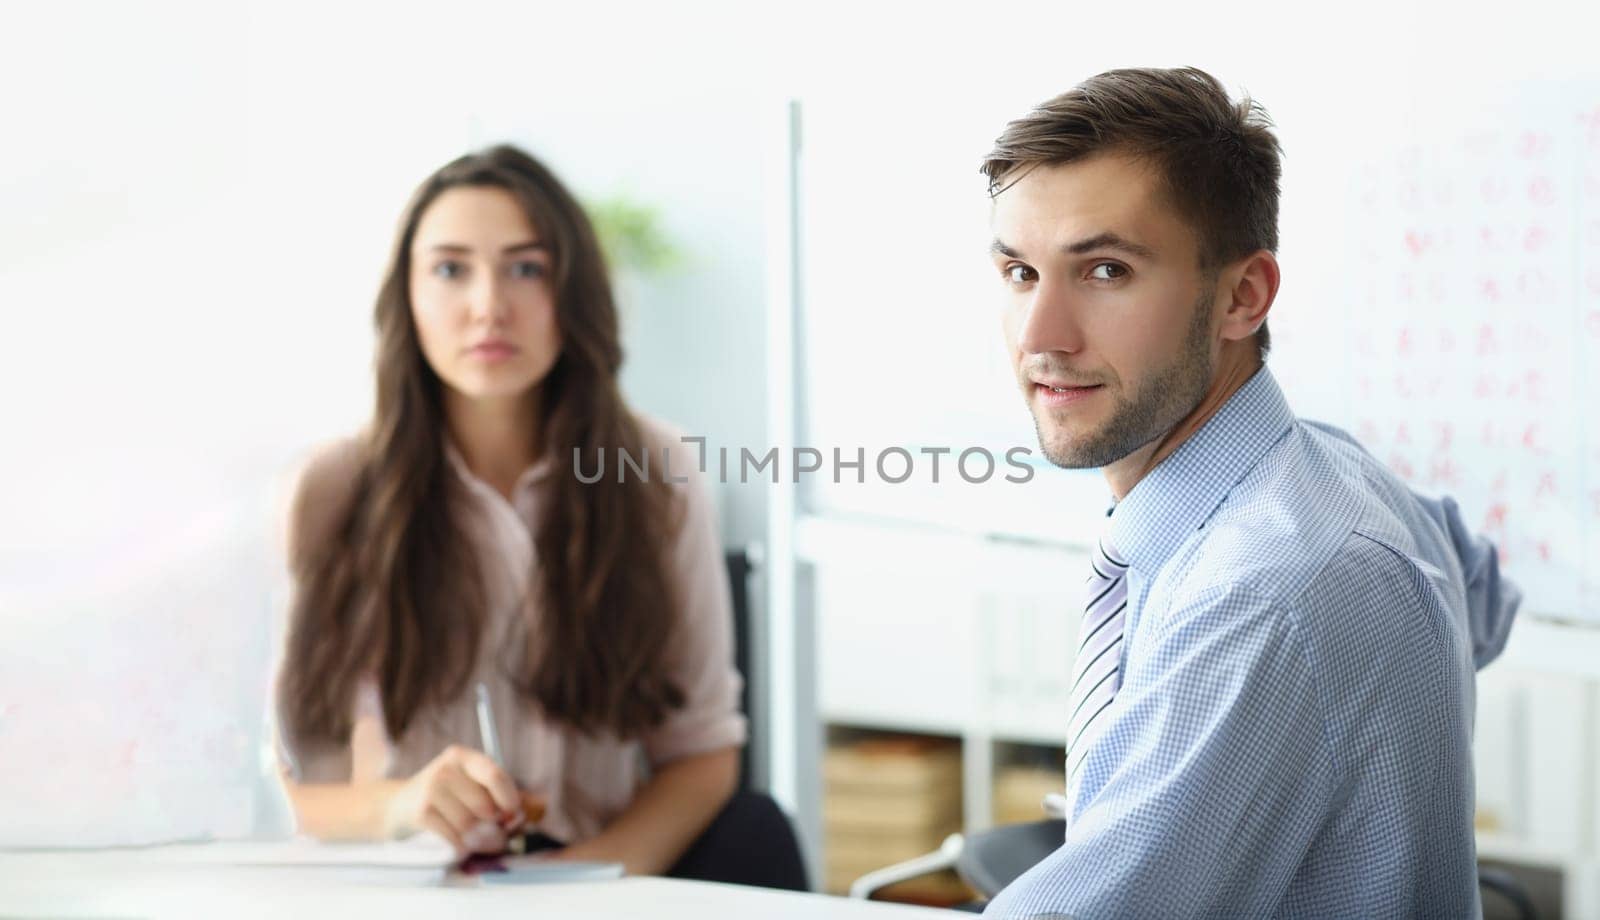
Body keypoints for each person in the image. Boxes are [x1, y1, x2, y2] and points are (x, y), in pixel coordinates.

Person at [979, 68, 1519, 917]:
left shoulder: (1265, 592)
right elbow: (1485, 599)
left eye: (1107, 271)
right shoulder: (1329, 475)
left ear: (1242, 296)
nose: (1041, 336)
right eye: (1019, 273)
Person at [271, 144, 784, 881]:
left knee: (760, 832)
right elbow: (281, 790)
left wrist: (578, 884)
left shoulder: (657, 473)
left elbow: (700, 756)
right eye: (451, 269)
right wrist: (403, 805)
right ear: (406, 297)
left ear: (573, 293)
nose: (488, 305)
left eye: (526, 268)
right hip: (407, 881)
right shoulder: (331, 490)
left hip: (599, 876)